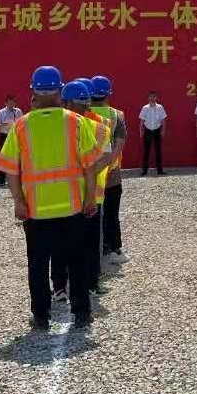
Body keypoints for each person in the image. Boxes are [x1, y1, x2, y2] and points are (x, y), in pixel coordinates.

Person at [0, 66, 104, 328]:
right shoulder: (75, 122)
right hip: (72, 207)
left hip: (36, 210)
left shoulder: (21, 125)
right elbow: (90, 167)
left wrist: (18, 202)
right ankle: (81, 313)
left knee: (37, 264)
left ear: (34, 91)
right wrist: (90, 198)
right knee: (77, 260)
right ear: (60, 91)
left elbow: (11, 169)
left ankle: (41, 316)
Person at [58, 79, 114, 299]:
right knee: (91, 241)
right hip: (94, 193)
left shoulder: (62, 126)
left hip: (67, 192)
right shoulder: (102, 126)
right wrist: (87, 176)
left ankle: (61, 285)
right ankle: (92, 282)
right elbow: (106, 157)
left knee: (64, 240)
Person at [89, 76, 128, 260]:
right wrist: (110, 164)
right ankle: (114, 248)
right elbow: (119, 144)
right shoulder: (116, 115)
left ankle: (95, 248)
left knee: (91, 212)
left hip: (88, 171)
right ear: (108, 94)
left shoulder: (81, 114)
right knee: (112, 211)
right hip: (111, 173)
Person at [0, 95, 23, 187]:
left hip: (16, 136)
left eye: (13, 102)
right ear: (5, 103)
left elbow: (22, 123)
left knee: (17, 156)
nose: (11, 104)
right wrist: (7, 124)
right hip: (5, 135)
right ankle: (1, 178)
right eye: (9, 102)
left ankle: (17, 178)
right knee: (3, 156)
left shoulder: (18, 111)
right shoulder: (1, 112)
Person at [139, 91, 167, 176]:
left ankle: (160, 170)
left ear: (156, 98)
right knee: (146, 151)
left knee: (158, 151)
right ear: (148, 98)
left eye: (154, 96)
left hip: (157, 130)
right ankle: (144, 171)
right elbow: (142, 120)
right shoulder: (145, 108)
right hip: (147, 131)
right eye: (151, 97)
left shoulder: (160, 107)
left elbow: (163, 120)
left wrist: (163, 130)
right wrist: (141, 131)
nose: (152, 98)